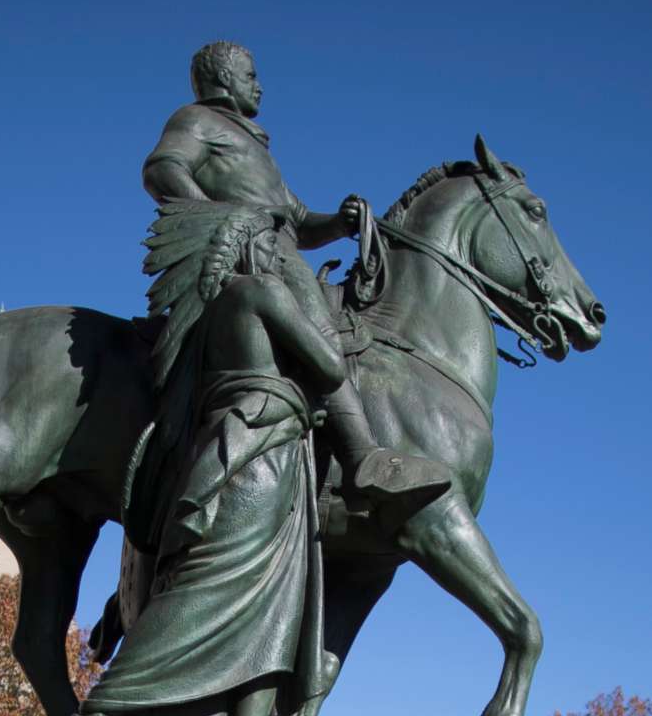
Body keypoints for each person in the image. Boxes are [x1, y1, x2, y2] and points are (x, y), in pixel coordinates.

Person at [58, 212, 344, 716]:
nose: (284, 259)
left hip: (255, 450)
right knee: (212, 588)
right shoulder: (260, 291)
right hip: (256, 454)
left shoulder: (211, 316)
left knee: (276, 604)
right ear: (252, 250)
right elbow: (332, 365)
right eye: (274, 245)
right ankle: (103, 712)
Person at [137, 40, 447, 518]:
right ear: (222, 81)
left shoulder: (254, 144)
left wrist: (340, 224)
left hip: (277, 246)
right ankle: (362, 456)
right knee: (317, 318)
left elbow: (298, 221)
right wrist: (225, 222)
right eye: (249, 75)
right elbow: (163, 168)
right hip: (255, 255)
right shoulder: (196, 120)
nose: (259, 85)